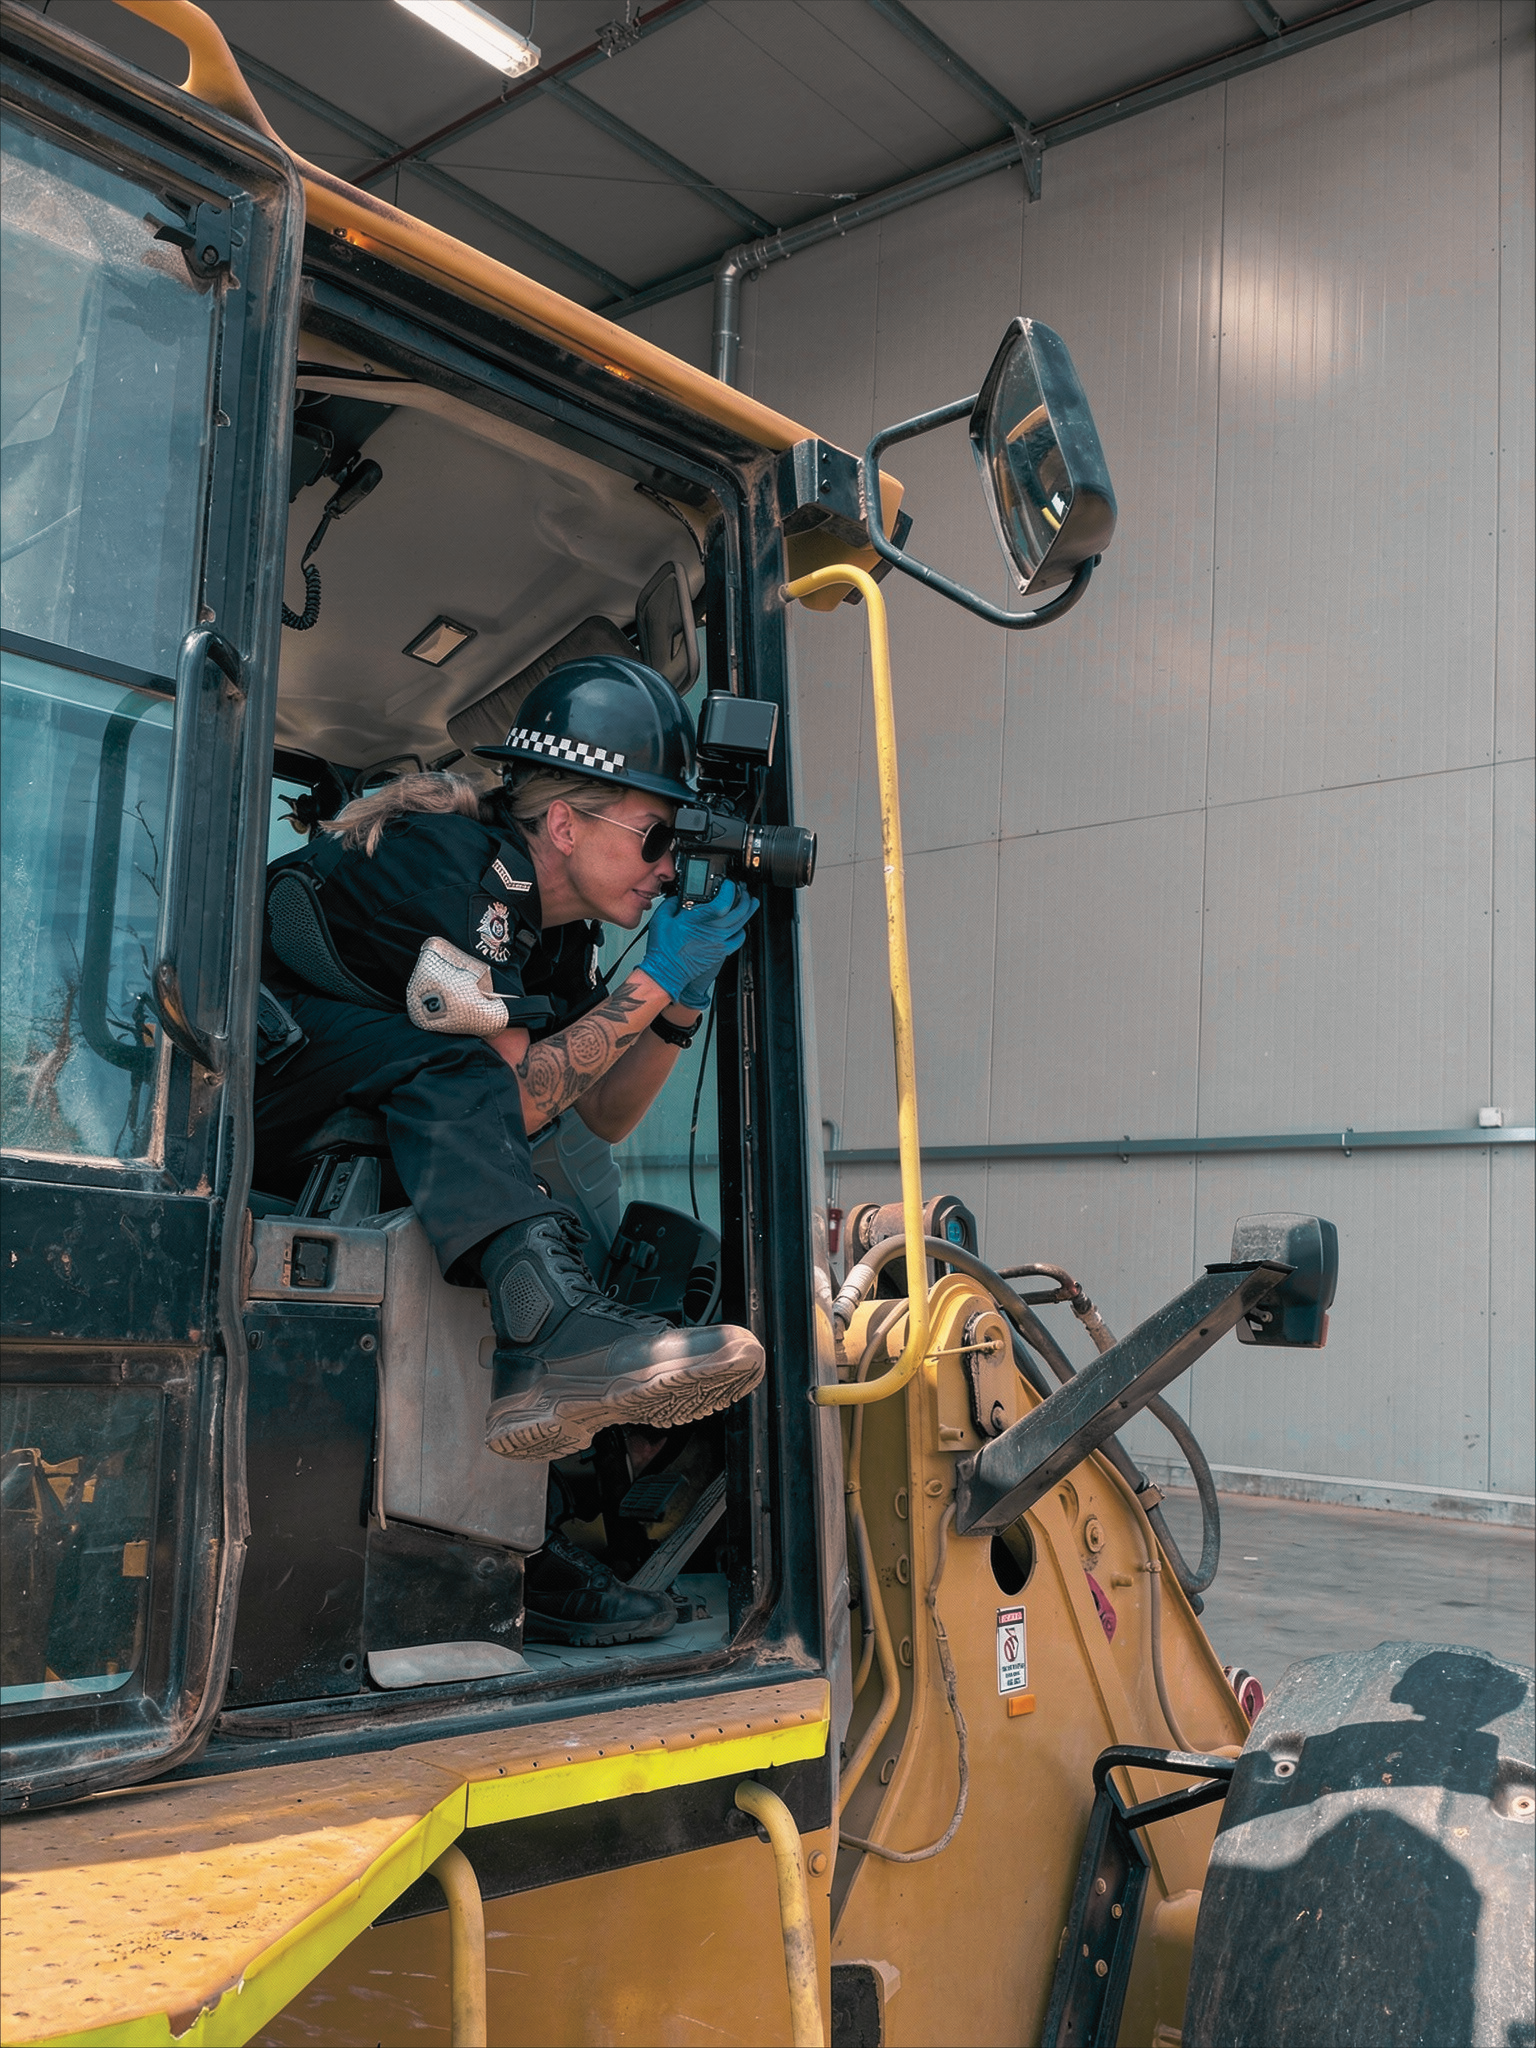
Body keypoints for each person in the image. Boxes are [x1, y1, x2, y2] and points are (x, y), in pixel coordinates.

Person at [255, 656, 763, 1643]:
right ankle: (551, 1338)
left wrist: (679, 1000)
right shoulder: (456, 867)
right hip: (257, 1083)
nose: (668, 867)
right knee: (470, 1091)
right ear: (565, 825)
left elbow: (600, 1110)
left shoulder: (555, 935)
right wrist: (654, 979)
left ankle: (515, 1539)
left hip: (370, 1096)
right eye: (655, 835)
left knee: (523, 1185)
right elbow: (512, 1097)